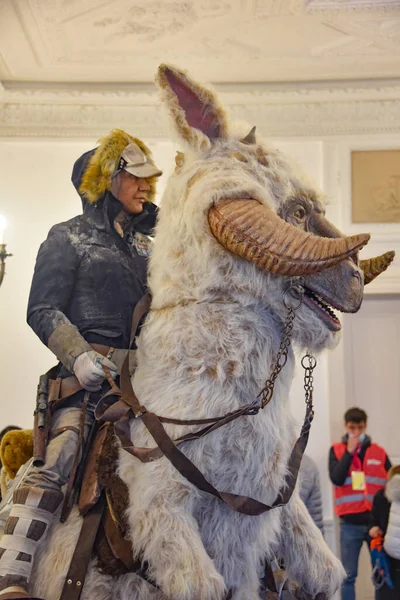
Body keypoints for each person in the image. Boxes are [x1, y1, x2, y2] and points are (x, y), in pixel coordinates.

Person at [0, 129, 162, 600]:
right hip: (88, 382)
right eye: (137, 178)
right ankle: (11, 574)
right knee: (61, 459)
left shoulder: (149, 247)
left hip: (147, 383)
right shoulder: (65, 238)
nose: (147, 187)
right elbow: (42, 308)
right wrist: (79, 355)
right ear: (109, 181)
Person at [329, 407, 391, 600]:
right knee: (348, 576)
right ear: (345, 426)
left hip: (376, 526)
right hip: (350, 525)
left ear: (365, 426)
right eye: (352, 427)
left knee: (380, 573)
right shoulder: (337, 450)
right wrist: (348, 452)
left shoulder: (379, 452)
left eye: (360, 428)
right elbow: (337, 478)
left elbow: (392, 486)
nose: (356, 432)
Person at [369, 465, 400, 600]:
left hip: (388, 555)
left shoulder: (381, 496)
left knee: (387, 591)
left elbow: (373, 520)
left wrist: (374, 528)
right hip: (389, 556)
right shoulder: (381, 497)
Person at [299, 454, 324, 535]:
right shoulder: (309, 465)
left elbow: (315, 514)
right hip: (297, 539)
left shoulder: (308, 465)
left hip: (298, 539)